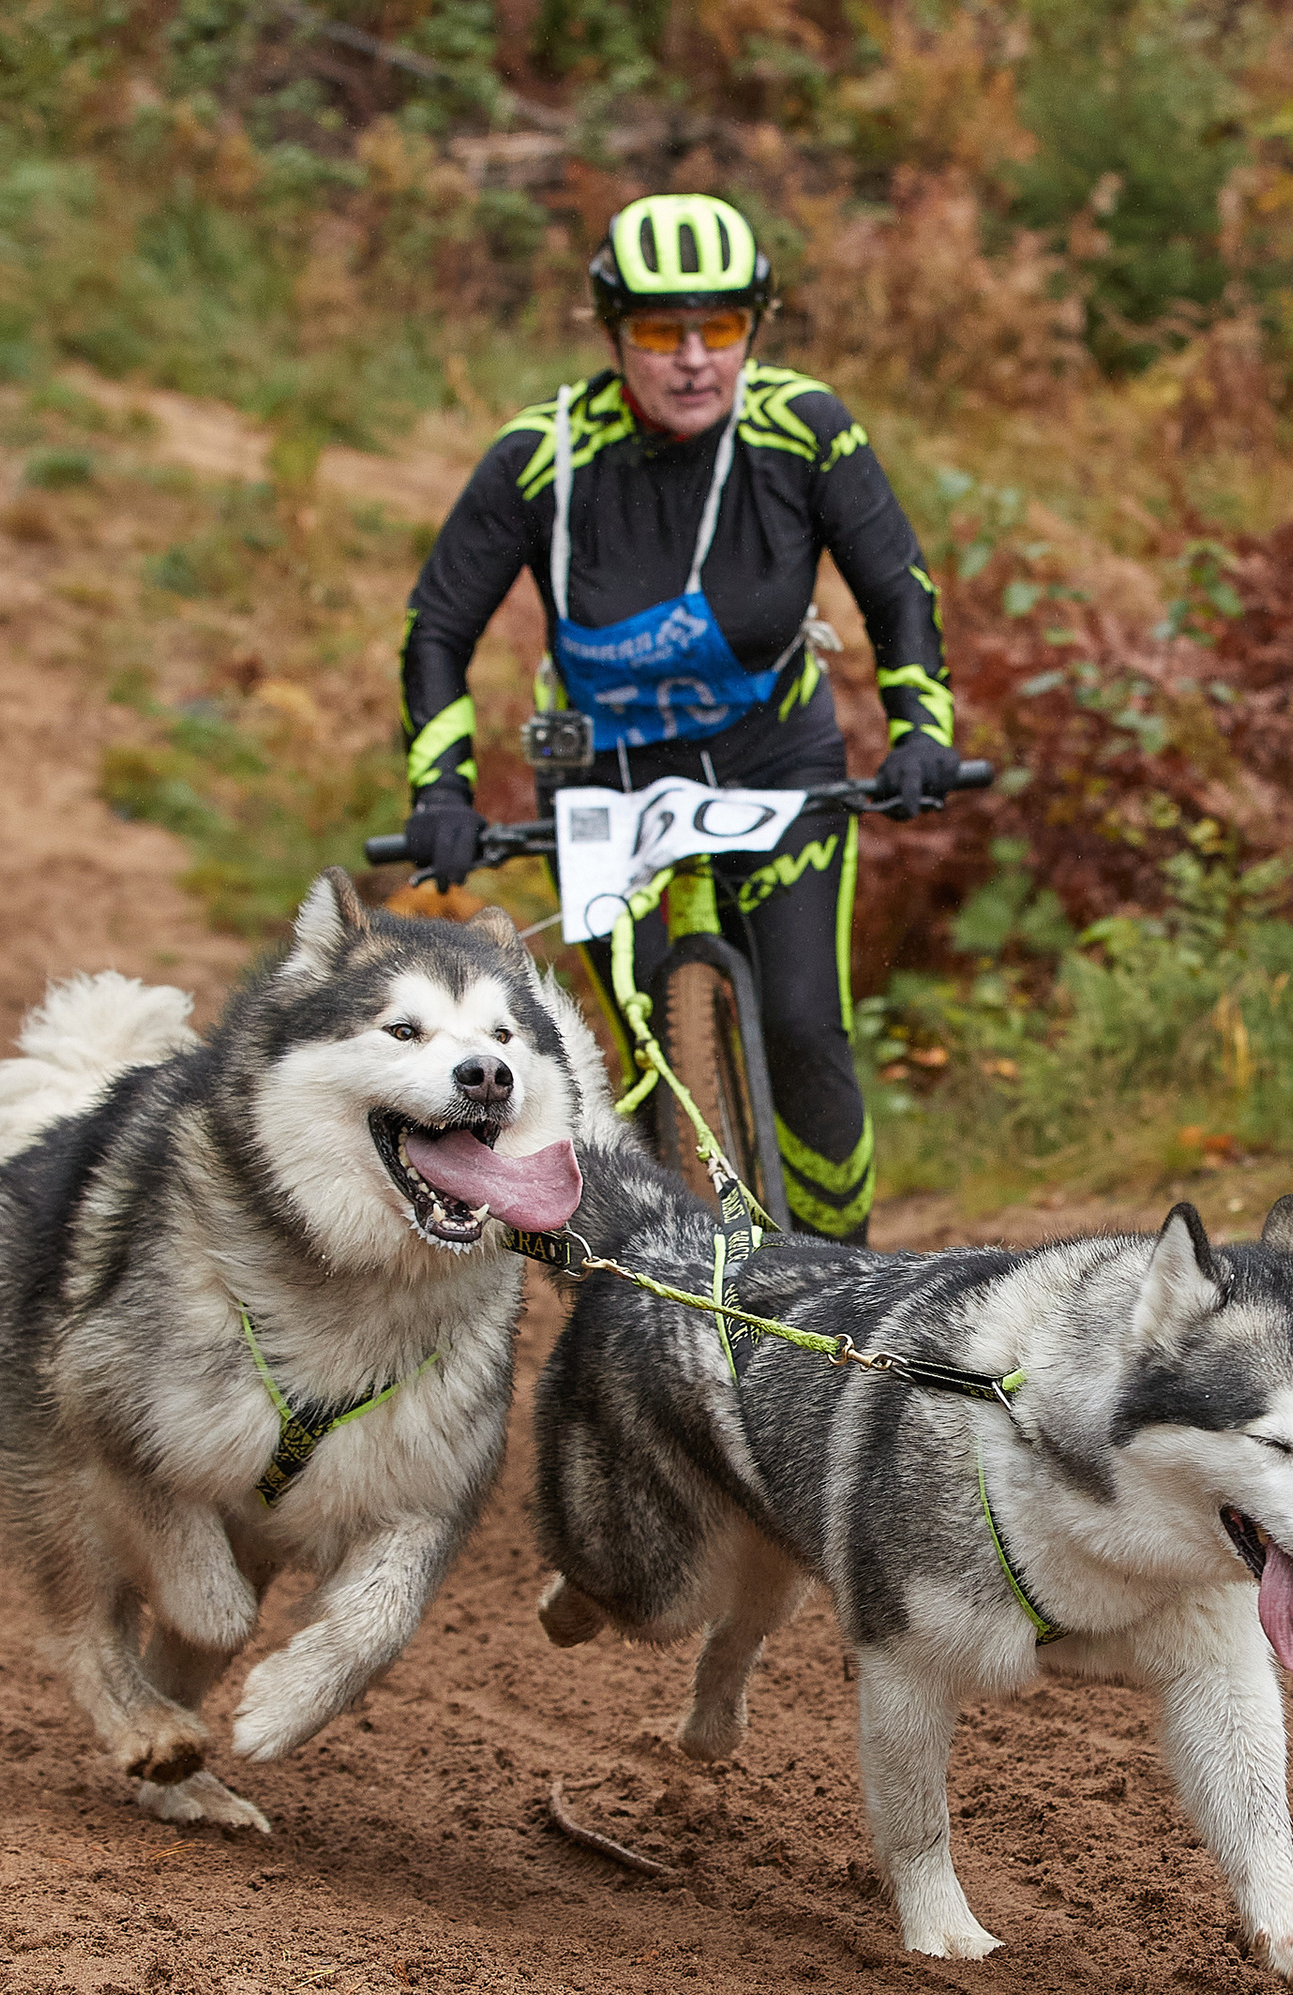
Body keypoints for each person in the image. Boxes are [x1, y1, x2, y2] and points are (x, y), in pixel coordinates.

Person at [397, 192, 958, 1245]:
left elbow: (897, 594)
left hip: (772, 752)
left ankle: (841, 1276)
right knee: (651, 1046)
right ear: (613, 336)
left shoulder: (807, 432)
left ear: (757, 328)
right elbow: (436, 631)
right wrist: (443, 792)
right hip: (604, 772)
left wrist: (918, 728)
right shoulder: (541, 457)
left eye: (722, 328)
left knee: (803, 1029)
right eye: (660, 331)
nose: (694, 357)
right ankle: (683, 1281)